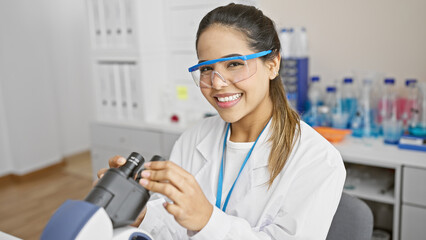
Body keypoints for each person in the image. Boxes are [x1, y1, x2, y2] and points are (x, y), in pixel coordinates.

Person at [98, 3, 346, 239]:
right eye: (206, 69)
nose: (217, 83)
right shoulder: (193, 139)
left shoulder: (318, 160)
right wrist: (140, 214)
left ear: (273, 64)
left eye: (235, 64)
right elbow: (172, 227)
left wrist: (207, 220)